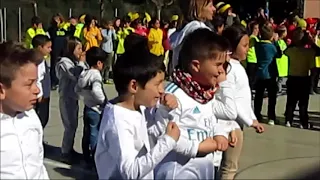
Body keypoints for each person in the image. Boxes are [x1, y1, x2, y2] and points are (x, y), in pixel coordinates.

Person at [95, 34, 181, 179]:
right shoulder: (118, 122)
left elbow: (152, 133)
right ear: (134, 86)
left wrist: (164, 110)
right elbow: (130, 172)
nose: (162, 89)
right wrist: (168, 142)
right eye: (157, 84)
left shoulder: (137, 108)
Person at [154, 29, 236, 179]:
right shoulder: (173, 95)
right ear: (196, 66)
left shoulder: (206, 93)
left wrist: (220, 133)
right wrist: (197, 148)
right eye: (218, 65)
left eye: (224, 66)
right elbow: (162, 135)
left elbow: (210, 120)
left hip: (204, 167)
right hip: (178, 169)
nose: (221, 71)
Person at [219, 25, 265, 180]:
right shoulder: (230, 69)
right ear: (232, 47)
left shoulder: (236, 67)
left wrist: (252, 117)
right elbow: (233, 100)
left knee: (228, 166)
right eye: (244, 46)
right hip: (231, 124)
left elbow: (243, 99)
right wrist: (250, 121)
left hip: (237, 122)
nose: (248, 49)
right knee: (229, 168)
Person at [0, 41, 49, 179]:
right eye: (29, 84)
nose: (37, 90)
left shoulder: (31, 117)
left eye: (36, 82)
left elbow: (38, 165)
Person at [55, 37, 88, 164]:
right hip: (66, 98)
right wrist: (81, 63)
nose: (81, 51)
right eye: (78, 48)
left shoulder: (75, 61)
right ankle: (65, 152)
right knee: (69, 126)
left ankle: (69, 149)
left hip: (74, 97)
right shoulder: (64, 62)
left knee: (74, 125)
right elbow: (75, 75)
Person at [75, 47, 108, 167]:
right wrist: (103, 102)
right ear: (99, 63)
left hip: (87, 106)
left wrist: (85, 96)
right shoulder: (96, 76)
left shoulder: (84, 73)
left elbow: (77, 88)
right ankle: (94, 156)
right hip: (95, 109)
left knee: (87, 132)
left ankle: (85, 154)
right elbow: (96, 91)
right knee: (95, 133)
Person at [284, 28, 318, 128]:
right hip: (304, 78)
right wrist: (311, 42)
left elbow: (285, 51)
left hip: (292, 77)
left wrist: (294, 42)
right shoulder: (309, 52)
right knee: (303, 103)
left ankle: (288, 120)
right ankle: (303, 122)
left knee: (291, 101)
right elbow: (312, 67)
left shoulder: (290, 50)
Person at [254, 24, 280, 125]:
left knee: (258, 96)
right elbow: (279, 54)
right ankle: (271, 117)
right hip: (270, 74)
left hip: (260, 73)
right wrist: (276, 42)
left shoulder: (258, 45)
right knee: (272, 96)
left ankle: (257, 114)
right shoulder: (271, 47)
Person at [32, 35, 52, 129]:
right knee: (41, 120)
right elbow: (37, 79)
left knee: (44, 119)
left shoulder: (42, 60)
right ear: (40, 47)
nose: (50, 50)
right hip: (41, 97)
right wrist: (40, 95)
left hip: (46, 95)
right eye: (48, 47)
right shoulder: (38, 61)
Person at [101, 20, 117, 84]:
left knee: (108, 65)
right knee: (103, 65)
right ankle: (101, 77)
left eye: (111, 25)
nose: (110, 26)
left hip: (110, 49)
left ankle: (106, 78)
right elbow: (106, 38)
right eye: (109, 25)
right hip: (104, 48)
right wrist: (109, 31)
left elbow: (115, 38)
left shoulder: (111, 31)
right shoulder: (103, 31)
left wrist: (113, 31)